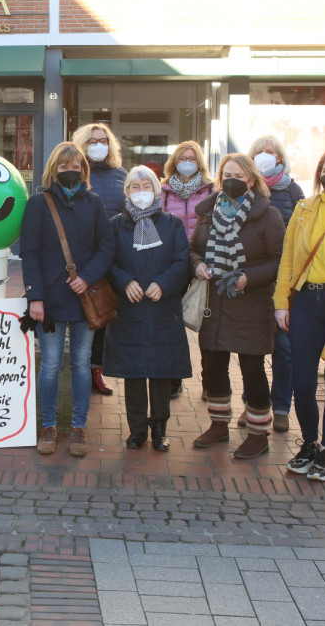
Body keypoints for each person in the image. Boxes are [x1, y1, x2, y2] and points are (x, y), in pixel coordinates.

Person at [21, 141, 114, 458]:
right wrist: (35, 296)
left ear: (83, 170)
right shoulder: (38, 204)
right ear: (53, 170)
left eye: (76, 167)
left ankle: (78, 427)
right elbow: (29, 252)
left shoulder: (95, 203)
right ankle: (48, 426)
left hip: (84, 298)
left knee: (80, 363)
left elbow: (106, 247)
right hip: (48, 301)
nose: (70, 172)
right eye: (64, 167)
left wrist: (86, 276)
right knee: (48, 366)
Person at [189, 153, 285, 459]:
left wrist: (248, 277)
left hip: (251, 304)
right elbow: (193, 249)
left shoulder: (268, 215)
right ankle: (219, 425)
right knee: (213, 368)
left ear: (252, 181)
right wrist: (198, 265)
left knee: (252, 371)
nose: (231, 181)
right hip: (214, 304)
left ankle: (259, 434)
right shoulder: (207, 212)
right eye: (227, 175)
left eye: (239, 177)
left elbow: (279, 261)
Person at [275, 148, 325, 481]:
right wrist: (282, 301)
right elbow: (287, 260)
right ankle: (309, 443)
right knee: (304, 382)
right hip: (307, 301)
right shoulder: (303, 208)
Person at [102, 165, 191, 451]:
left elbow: (182, 262)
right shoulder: (115, 224)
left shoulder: (173, 224)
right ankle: (137, 430)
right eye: (135, 187)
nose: (141, 192)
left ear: (156, 190)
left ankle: (159, 428)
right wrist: (124, 281)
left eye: (146, 186)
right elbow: (108, 262)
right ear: (127, 191)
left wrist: (163, 284)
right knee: (134, 372)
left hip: (163, 308)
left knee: (162, 373)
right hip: (129, 309)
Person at [245, 136, 305, 433]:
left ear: (280, 158)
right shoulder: (246, 190)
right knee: (251, 348)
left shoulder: (293, 190)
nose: (267, 157)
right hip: (254, 281)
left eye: (272, 153)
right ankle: (254, 405)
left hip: (285, 283)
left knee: (284, 348)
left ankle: (280, 406)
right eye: (261, 153)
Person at [71, 122, 127, 397]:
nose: (98, 145)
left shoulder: (121, 175)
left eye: (103, 140)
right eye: (92, 141)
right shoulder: (73, 173)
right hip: (79, 256)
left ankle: (96, 369)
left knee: (103, 313)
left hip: (112, 257)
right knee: (79, 313)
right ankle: (77, 368)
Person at [160, 140, 215, 399]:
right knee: (172, 323)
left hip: (202, 262)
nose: (187, 162)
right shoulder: (164, 190)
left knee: (205, 322)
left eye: (192, 158)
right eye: (183, 157)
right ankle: (174, 379)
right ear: (174, 161)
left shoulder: (211, 189)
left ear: (199, 162)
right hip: (172, 263)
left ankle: (209, 381)